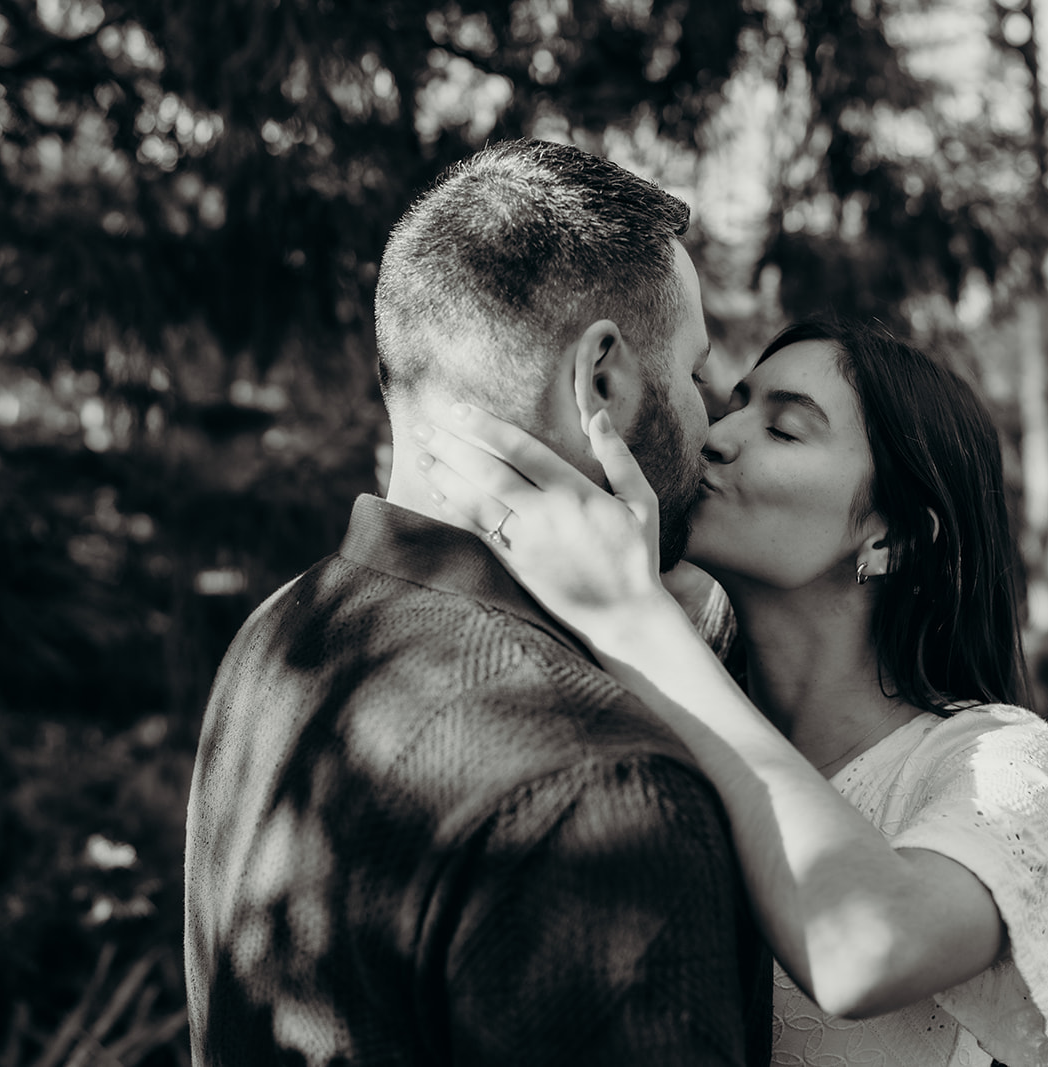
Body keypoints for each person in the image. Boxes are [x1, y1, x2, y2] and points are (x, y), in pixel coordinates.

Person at [183, 139, 772, 1067]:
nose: (710, 417)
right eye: (695, 372)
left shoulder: (278, 629)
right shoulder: (600, 784)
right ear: (602, 381)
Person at [408, 319, 1048, 1067]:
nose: (717, 435)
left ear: (891, 538)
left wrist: (638, 621)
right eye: (734, 403)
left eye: (785, 430)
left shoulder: (1008, 764)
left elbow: (866, 949)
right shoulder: (642, 702)